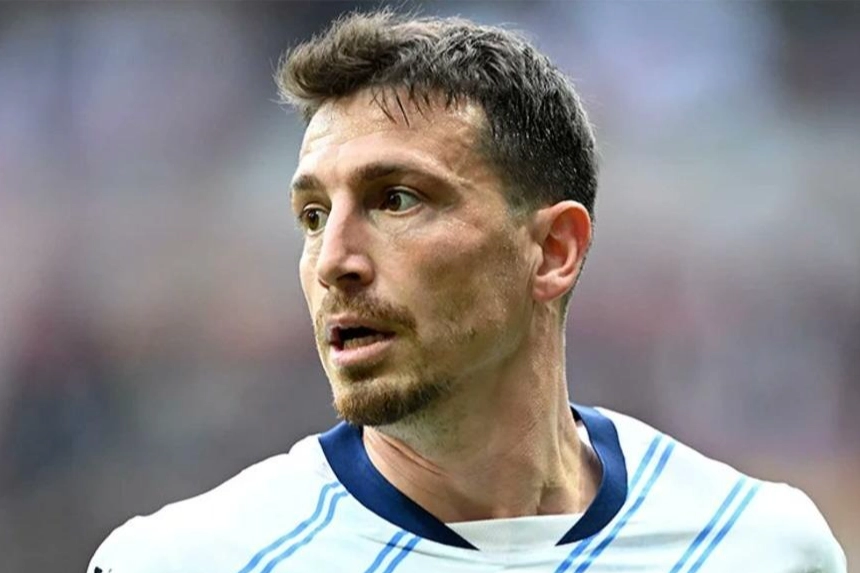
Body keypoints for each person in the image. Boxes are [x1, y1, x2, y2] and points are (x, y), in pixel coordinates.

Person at [88, 9, 846, 573]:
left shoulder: (760, 547)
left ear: (553, 250)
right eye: (313, 216)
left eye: (396, 200)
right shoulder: (187, 559)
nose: (334, 261)